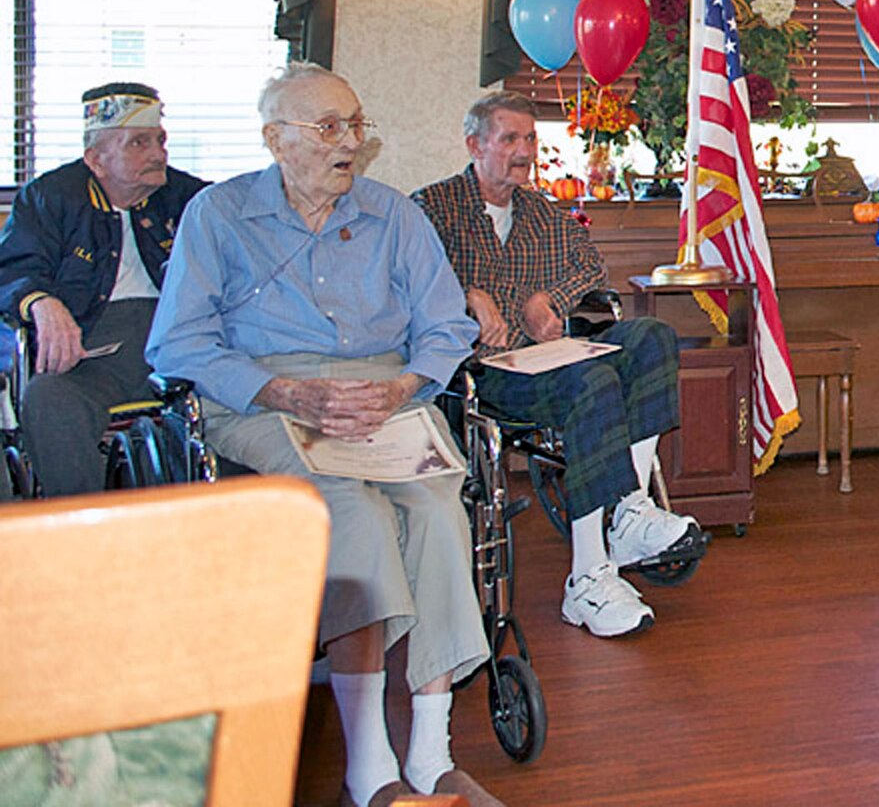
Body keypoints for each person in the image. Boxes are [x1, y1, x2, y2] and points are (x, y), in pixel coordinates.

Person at [148, 65, 502, 807]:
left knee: (441, 511)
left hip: (385, 394)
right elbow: (177, 343)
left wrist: (404, 387)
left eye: (355, 124)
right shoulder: (219, 215)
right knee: (356, 514)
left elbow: (445, 328)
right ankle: (368, 765)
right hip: (267, 400)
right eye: (329, 128)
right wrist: (284, 391)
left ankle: (433, 755)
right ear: (277, 139)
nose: (350, 143)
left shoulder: (395, 215)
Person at [414, 91, 702, 637]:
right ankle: (588, 577)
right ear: (475, 144)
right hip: (481, 372)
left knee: (652, 337)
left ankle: (628, 512)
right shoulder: (432, 208)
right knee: (593, 378)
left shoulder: (542, 213)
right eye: (509, 139)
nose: (523, 152)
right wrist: (467, 294)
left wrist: (548, 298)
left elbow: (591, 267)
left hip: (546, 359)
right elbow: (406, 281)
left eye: (530, 139)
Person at [0, 83, 204, 496]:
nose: (157, 154)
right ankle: (85, 533)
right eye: (139, 143)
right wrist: (41, 302)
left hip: (185, 348)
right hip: (91, 352)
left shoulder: (193, 199)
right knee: (48, 397)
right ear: (96, 159)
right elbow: (14, 268)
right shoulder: (49, 197)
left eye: (160, 140)